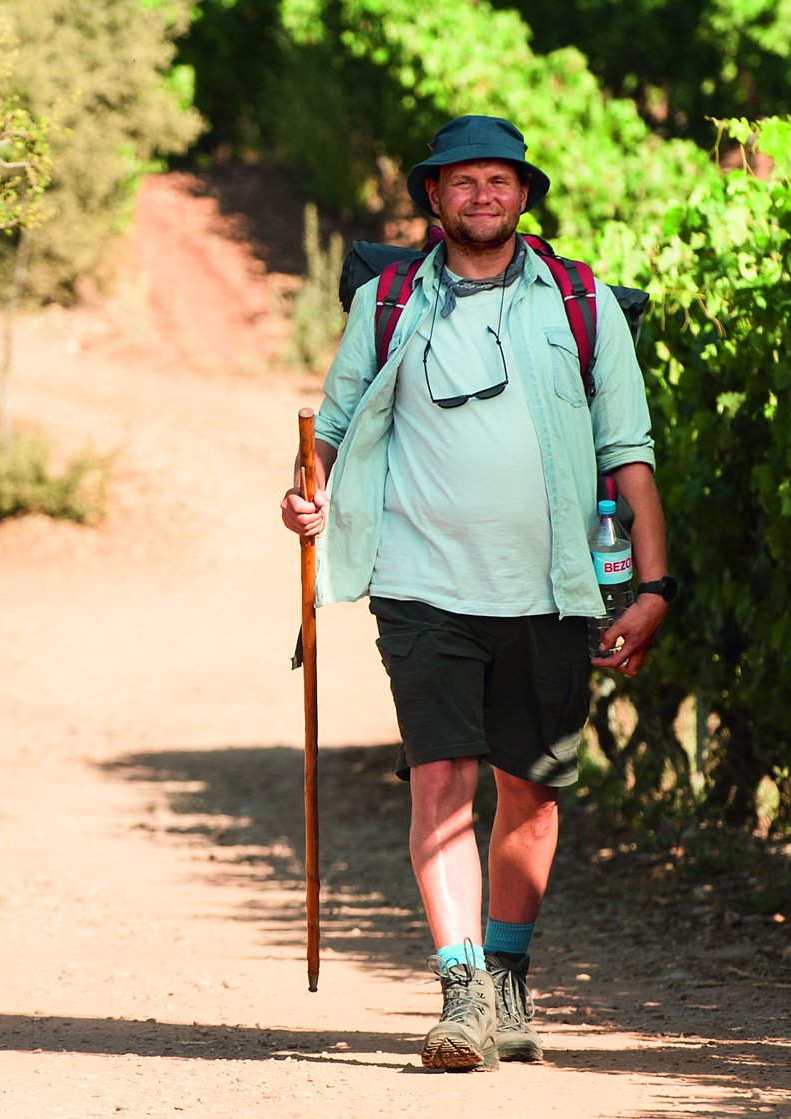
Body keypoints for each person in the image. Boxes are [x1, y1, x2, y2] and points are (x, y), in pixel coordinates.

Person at [279, 115, 674, 1071]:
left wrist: (655, 586)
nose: (481, 195)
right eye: (462, 182)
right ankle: (460, 990)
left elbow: (630, 454)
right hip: (420, 588)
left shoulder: (584, 305)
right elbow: (326, 431)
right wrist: (305, 495)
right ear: (432, 197)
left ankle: (506, 970)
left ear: (525, 195)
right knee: (442, 783)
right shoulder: (387, 300)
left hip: (552, 593)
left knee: (529, 796)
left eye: (500, 180)